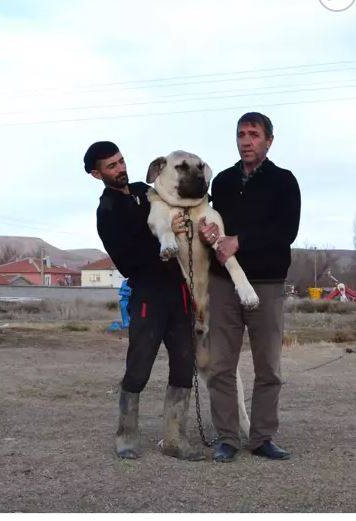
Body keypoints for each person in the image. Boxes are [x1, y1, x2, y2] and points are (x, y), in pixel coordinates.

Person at [84, 141, 204, 461]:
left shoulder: (144, 190)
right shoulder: (107, 211)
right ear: (98, 174)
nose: (120, 168)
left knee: (183, 363)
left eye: (121, 161)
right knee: (139, 365)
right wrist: (163, 236)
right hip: (148, 293)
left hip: (180, 292)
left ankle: (175, 438)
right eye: (111, 166)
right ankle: (126, 435)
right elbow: (127, 261)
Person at [199, 112, 301, 462]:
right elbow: (213, 225)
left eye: (254, 134)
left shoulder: (284, 181)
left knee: (268, 368)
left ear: (268, 140)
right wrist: (207, 233)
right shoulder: (224, 182)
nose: (246, 140)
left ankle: (261, 438)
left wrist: (239, 241)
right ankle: (227, 437)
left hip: (268, 285)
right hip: (224, 284)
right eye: (241, 134)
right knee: (220, 366)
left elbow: (286, 231)